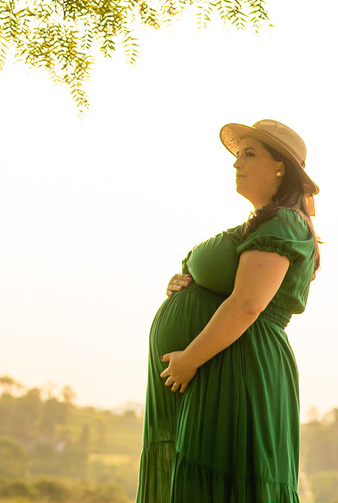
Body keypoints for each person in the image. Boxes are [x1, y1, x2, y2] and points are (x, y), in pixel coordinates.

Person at [135, 119, 323, 503]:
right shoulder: (259, 225)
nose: (236, 163)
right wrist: (188, 279)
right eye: (237, 155)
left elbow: (247, 304)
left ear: (280, 167)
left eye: (249, 154)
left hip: (238, 367)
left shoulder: (284, 223)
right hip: (218, 366)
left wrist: (189, 358)